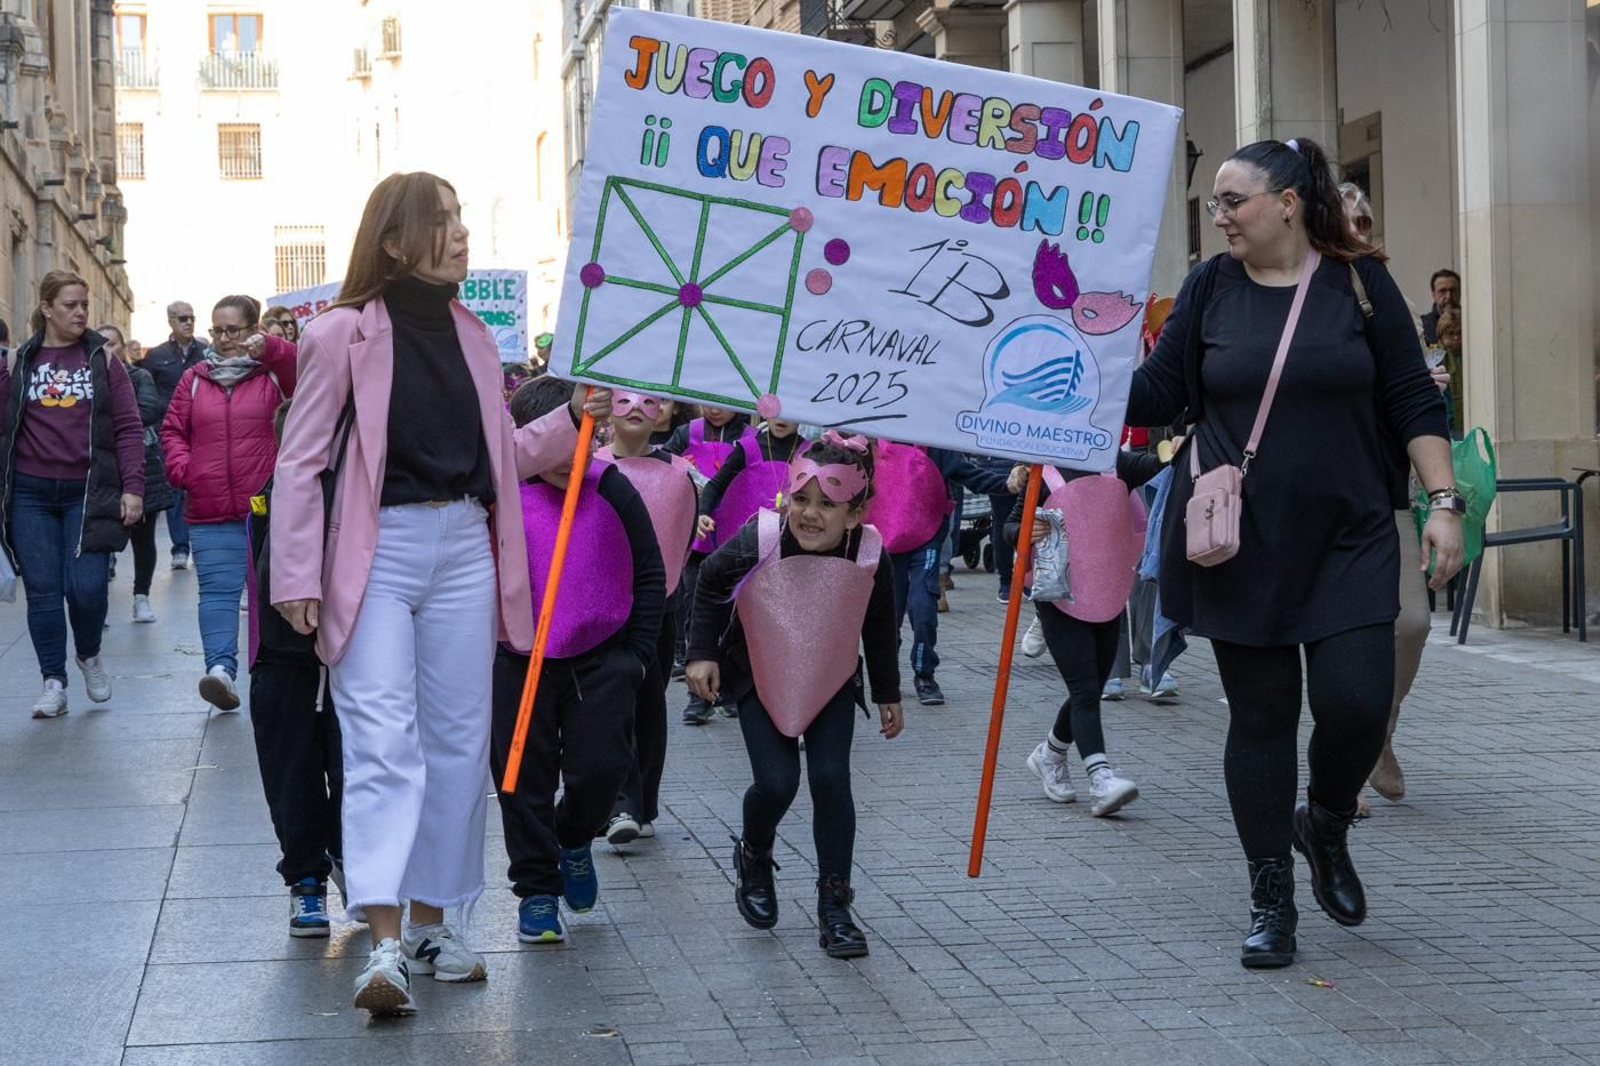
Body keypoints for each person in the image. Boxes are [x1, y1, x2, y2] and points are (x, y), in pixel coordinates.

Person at [270, 171, 611, 1017]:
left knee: (461, 746)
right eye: (444, 221)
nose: (461, 233)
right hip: (374, 551)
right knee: (385, 742)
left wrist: (573, 417)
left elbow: (500, 453)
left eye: (460, 218)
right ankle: (382, 944)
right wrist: (295, 576)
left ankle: (432, 925)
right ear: (394, 242)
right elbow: (301, 461)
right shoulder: (339, 334)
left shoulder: (473, 334)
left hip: (465, 546)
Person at [1127, 138, 1464, 970]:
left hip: (1350, 533)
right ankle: (1270, 894)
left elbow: (1413, 397)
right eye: (1215, 203)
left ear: (1286, 202)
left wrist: (1444, 502)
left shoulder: (1358, 283)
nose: (1220, 216)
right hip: (1242, 541)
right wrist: (1069, 357)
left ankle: (1326, 818)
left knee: (1356, 704)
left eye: (1232, 200)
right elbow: (1155, 395)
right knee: (1264, 720)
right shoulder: (1210, 288)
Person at [685, 433, 902, 958]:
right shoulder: (761, 535)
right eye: (801, 499)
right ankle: (755, 852)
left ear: (854, 514)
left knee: (831, 779)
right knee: (778, 782)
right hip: (758, 672)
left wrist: (889, 690)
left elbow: (879, 624)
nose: (810, 514)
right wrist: (702, 653)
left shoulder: (870, 551)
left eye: (828, 505)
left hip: (830, 676)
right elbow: (711, 583)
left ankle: (835, 905)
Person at [489, 378, 665, 943]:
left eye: (584, 444)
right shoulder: (503, 496)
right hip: (518, 661)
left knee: (602, 768)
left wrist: (635, 656)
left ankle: (573, 839)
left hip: (601, 659)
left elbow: (649, 572)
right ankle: (537, 892)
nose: (573, 458)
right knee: (522, 779)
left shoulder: (611, 487)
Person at [0, 271, 145, 718]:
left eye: (84, 304)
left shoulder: (103, 360)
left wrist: (133, 488)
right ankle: (53, 682)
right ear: (46, 308)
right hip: (30, 492)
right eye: (70, 305)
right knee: (43, 591)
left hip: (89, 493)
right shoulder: (18, 362)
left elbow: (128, 427)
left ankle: (87, 653)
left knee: (86, 590)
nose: (81, 312)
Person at [1008, 450, 1166, 816]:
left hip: (1107, 590)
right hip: (1059, 594)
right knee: (1083, 688)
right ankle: (1100, 777)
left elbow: (1157, 463)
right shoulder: (1044, 472)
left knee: (1091, 686)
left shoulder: (1116, 463)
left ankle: (1050, 755)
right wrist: (1025, 529)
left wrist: (1177, 442)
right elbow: (1010, 528)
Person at [161, 296, 297, 712]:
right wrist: (186, 471)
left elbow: (304, 369)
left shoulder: (274, 374)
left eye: (232, 330)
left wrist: (271, 348)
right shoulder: (195, 380)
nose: (222, 339)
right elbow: (172, 432)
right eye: (216, 330)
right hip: (210, 507)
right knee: (217, 594)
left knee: (275, 594)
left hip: (268, 508)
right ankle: (220, 671)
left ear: (252, 330)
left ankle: (277, 673)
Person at [247, 398, 344, 938]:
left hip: (351, 654)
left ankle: (349, 858)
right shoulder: (273, 495)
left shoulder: (357, 494)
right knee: (292, 778)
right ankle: (306, 881)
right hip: (284, 660)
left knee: (356, 772)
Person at [595, 390, 698, 845]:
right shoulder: (588, 463)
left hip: (658, 607)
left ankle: (642, 800)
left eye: (649, 399)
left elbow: (685, 528)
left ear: (667, 409)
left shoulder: (680, 473)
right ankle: (620, 803)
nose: (636, 407)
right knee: (613, 703)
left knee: (649, 704)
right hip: (600, 606)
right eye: (624, 399)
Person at [864, 441, 1008, 706]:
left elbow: (968, 474)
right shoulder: (873, 439)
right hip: (887, 542)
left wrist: (1009, 483)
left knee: (924, 609)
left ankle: (924, 675)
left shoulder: (933, 442)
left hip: (926, 538)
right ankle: (887, 675)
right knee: (888, 616)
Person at [660, 404, 752, 721]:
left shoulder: (752, 441)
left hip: (740, 542)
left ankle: (730, 689)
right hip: (697, 540)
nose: (713, 409)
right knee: (697, 610)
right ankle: (697, 695)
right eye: (707, 401)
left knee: (736, 617)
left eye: (723, 403)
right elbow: (663, 467)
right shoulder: (687, 433)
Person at [101, 324, 173, 623]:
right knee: (100, 540)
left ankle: (141, 596)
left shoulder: (139, 376)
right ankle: (96, 603)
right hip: (103, 470)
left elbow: (147, 410)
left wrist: (107, 422)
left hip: (143, 466)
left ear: (122, 347)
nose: (107, 350)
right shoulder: (88, 381)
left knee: (143, 538)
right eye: (101, 344)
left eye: (113, 344)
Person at [142, 300, 207, 570]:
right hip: (170, 432)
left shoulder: (206, 352)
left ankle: (202, 546)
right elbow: (148, 392)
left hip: (203, 429)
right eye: (182, 318)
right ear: (171, 321)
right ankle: (180, 548)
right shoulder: (156, 356)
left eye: (191, 317)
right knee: (176, 489)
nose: (188, 322)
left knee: (204, 486)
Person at [1430, 308, 1464, 437]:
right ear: (1441, 334)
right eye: (1450, 333)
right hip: (1447, 424)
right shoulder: (1435, 357)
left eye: (1460, 333)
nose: (1456, 338)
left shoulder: (1470, 353)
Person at [1419, 268, 1459, 346]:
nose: (1448, 296)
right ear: (1433, 294)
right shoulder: (1422, 326)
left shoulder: (1471, 323)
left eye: (1453, 290)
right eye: (1442, 291)